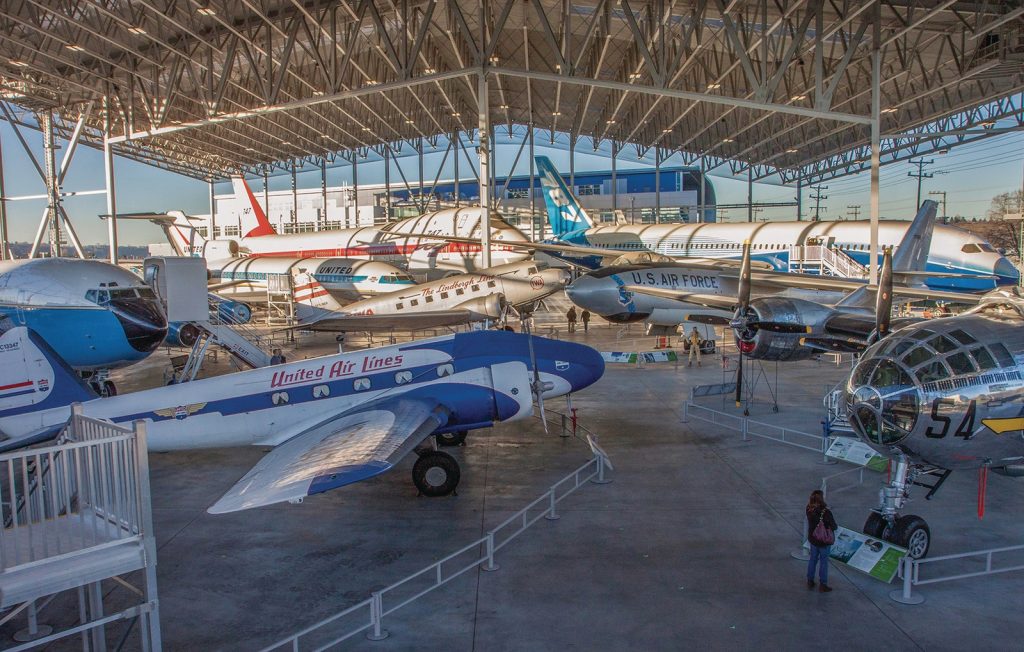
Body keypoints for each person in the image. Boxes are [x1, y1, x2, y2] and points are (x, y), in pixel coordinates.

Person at [806, 489, 838, 592]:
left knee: (813, 559)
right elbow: (834, 526)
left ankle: (810, 580)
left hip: (813, 539)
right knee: (824, 562)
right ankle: (823, 584)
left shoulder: (808, 509)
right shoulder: (826, 512)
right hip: (824, 541)